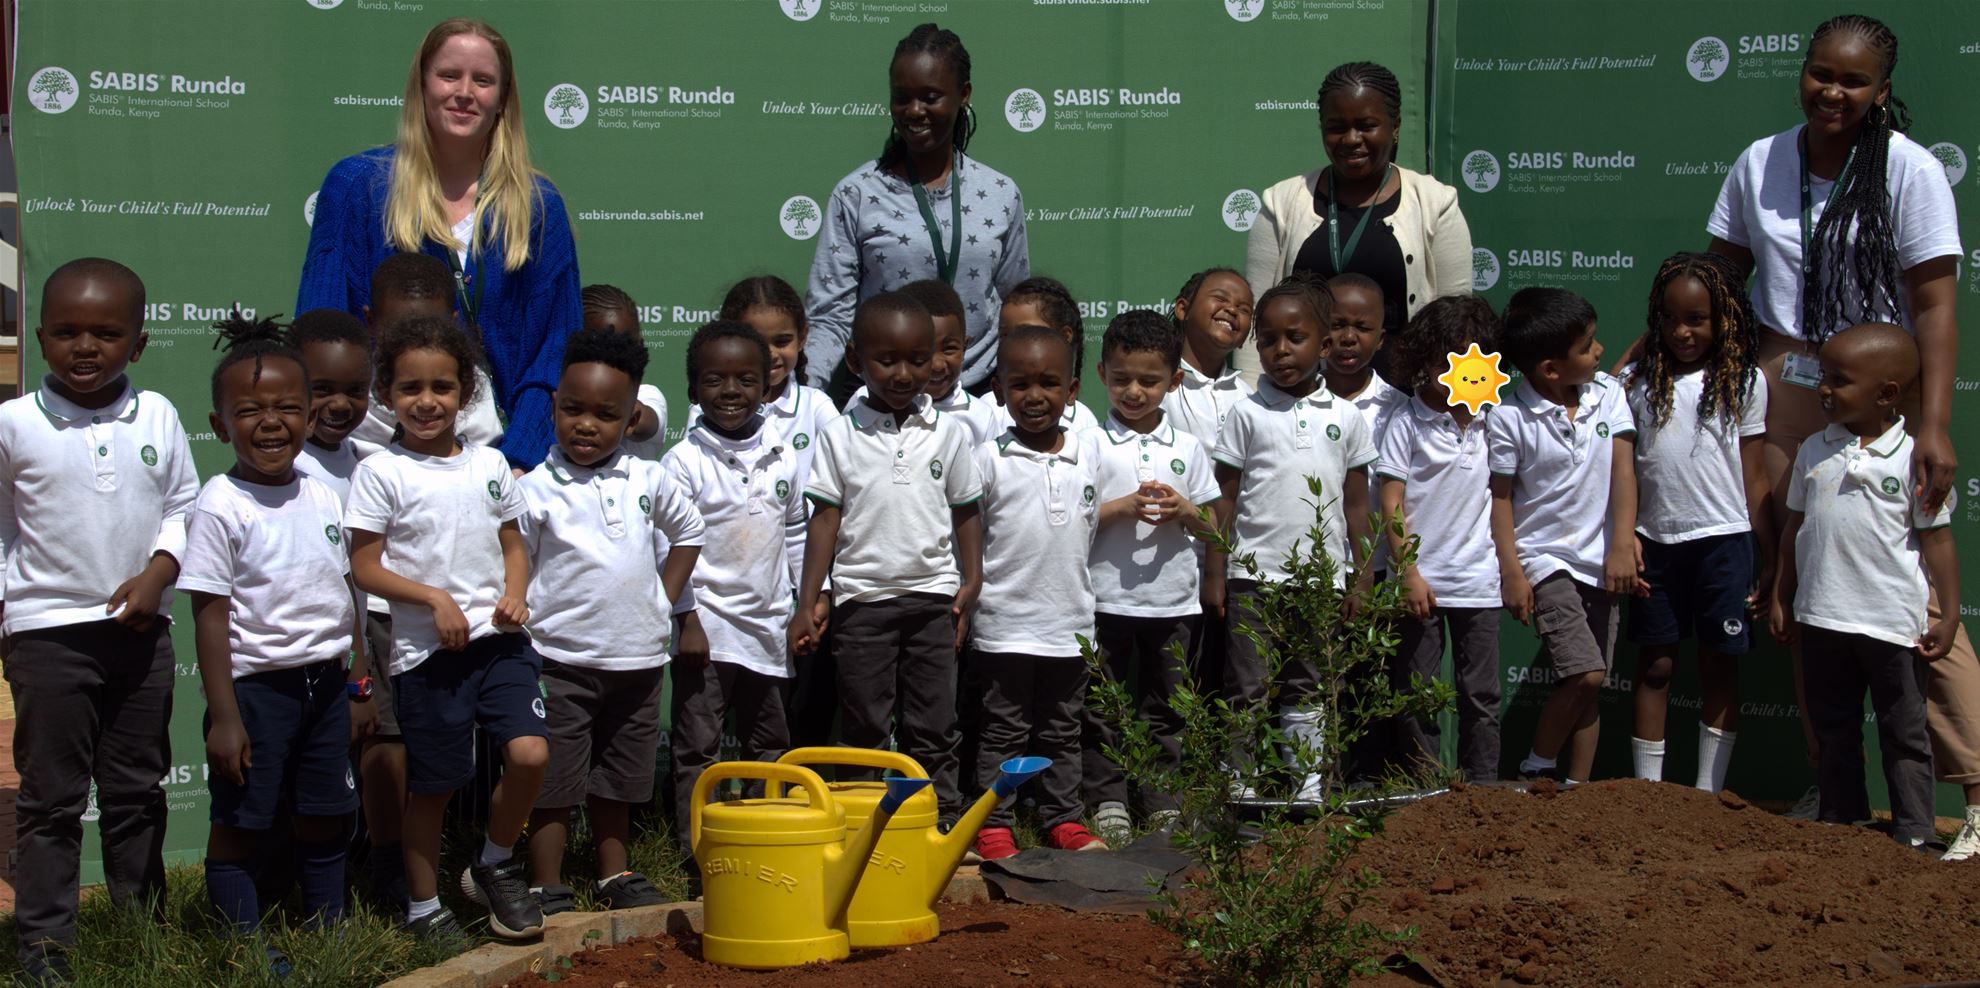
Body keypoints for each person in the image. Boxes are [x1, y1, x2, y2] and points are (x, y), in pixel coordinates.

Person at [1701, 14, 1973, 821]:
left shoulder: (1909, 171)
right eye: (1823, 73)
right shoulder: (1761, 161)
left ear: (1882, 92)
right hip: (1787, 380)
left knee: (1911, 592)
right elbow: (1718, 278)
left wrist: (1932, 422)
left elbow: (1934, 308)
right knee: (1811, 575)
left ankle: (1975, 785)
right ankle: (1837, 788)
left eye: (1854, 81)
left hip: (1880, 390)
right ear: (1803, 73)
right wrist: (1642, 353)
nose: (1834, 91)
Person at [0, 259, 197, 982]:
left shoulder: (159, 416)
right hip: (47, 637)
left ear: (139, 344)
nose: (86, 347)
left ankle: (143, 933)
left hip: (140, 637)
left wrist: (159, 573)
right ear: (41, 337)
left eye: (107, 333)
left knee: (137, 790)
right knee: (52, 799)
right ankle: (45, 949)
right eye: (68, 332)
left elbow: (183, 506)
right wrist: (8, 609)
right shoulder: (13, 424)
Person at [298, 16, 579, 470]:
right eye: (449, 75)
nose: (465, 92)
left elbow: (554, 352)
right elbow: (321, 333)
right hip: (366, 458)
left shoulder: (538, 207)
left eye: (483, 80)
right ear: (421, 84)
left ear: (502, 98)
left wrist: (516, 461)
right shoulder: (355, 187)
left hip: (496, 461)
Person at [344, 316, 546, 944]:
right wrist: (432, 599)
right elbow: (364, 566)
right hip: (424, 657)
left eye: (442, 387)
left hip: (501, 645)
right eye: (410, 389)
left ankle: (490, 862)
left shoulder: (489, 463)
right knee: (432, 788)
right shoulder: (381, 473)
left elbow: (513, 543)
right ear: (386, 395)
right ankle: (423, 909)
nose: (427, 402)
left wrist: (515, 595)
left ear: (467, 394)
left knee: (530, 753)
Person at [182, 316, 371, 970]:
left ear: (310, 412)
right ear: (218, 423)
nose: (271, 421)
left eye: (288, 407)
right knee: (242, 821)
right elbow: (209, 615)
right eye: (250, 410)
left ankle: (329, 927)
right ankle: (242, 943)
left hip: (325, 686)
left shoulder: (321, 493)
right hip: (256, 695)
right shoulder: (219, 505)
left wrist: (359, 681)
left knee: (325, 814)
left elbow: (349, 593)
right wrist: (227, 717)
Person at [520, 327, 703, 915]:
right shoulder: (534, 488)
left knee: (620, 778)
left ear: (631, 420)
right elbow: (514, 562)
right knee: (555, 781)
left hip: (639, 660)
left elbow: (689, 534)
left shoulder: (649, 478)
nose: (586, 425)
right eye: (573, 409)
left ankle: (613, 873)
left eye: (605, 414)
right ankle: (546, 882)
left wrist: (661, 597)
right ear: (554, 407)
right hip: (560, 660)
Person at [789, 292, 984, 823]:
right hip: (863, 601)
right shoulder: (838, 437)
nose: (904, 374)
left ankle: (938, 811)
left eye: (918, 360)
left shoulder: (949, 434)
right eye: (887, 360)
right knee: (865, 719)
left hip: (933, 600)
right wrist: (809, 600)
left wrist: (972, 580)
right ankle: (864, 817)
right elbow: (824, 520)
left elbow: (966, 510)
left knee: (933, 719)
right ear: (856, 360)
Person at [1768, 322, 1956, 850]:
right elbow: (1793, 529)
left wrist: (1952, 611)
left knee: (1904, 732)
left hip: (1892, 623)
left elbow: (1938, 542)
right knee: (1833, 727)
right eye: (1823, 377)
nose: (1824, 389)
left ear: (1887, 393)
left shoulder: (1915, 458)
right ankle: (1842, 818)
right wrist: (1783, 593)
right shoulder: (1812, 449)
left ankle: (1915, 831)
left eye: (1840, 381)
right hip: (1822, 617)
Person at [1209, 276, 1375, 801]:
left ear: (1323, 345)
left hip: (1321, 580)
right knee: (1248, 684)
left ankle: (1306, 785)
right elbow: (1225, 500)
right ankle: (1241, 783)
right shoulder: (1246, 413)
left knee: (1308, 683)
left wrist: (1362, 577)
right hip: (1255, 579)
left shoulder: (1347, 419)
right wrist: (1216, 571)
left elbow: (1357, 508)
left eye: (1295, 338)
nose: (1280, 351)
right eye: (1269, 340)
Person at [804, 23, 1029, 403]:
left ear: (964, 95)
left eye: (930, 97)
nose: (914, 111)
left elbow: (1015, 309)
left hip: (976, 394)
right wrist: (804, 395)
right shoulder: (855, 193)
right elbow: (830, 316)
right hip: (883, 396)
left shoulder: (1000, 193)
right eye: (901, 98)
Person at [1620, 254, 1770, 792]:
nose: (1681, 332)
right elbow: (1620, 468)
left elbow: (1754, 474)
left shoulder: (1745, 381)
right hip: (1654, 545)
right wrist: (1627, 536)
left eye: (1697, 320)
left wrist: (1767, 554)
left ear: (1725, 320)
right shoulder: (1636, 382)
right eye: (1668, 318)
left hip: (1725, 543)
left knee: (1719, 666)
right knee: (1656, 667)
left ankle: (1707, 793)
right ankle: (1649, 793)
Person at [660, 322, 806, 865]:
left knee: (769, 746)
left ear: (767, 386)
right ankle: (699, 854)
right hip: (708, 628)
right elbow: (667, 547)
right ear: (692, 388)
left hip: (768, 629)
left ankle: (765, 844)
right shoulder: (682, 462)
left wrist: (809, 602)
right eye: (714, 379)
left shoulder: (782, 454)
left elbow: (794, 534)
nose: (730, 391)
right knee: (698, 748)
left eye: (746, 379)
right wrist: (687, 619)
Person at [1488, 288, 1640, 786]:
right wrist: (1513, 571)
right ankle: (1537, 766)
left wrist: (1622, 544)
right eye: (1587, 346)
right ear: (1551, 369)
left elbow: (1623, 471)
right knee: (1585, 674)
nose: (1599, 352)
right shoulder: (1508, 417)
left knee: (1589, 684)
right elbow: (1502, 499)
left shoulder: (1608, 394)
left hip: (1602, 561)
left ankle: (1577, 794)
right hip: (1545, 560)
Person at [288, 307, 413, 910]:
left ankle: (388, 866)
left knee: (382, 742)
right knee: (307, 762)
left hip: (369, 634)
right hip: (303, 641)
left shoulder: (369, 463)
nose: (339, 404)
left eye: (354, 391)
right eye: (321, 390)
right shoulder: (281, 462)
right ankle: (301, 880)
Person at [970, 326, 1109, 860]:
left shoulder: (1088, 452)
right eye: (1020, 383)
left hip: (1070, 627)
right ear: (1000, 389)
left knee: (1060, 732)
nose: (1035, 396)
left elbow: (1092, 524)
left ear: (1072, 391)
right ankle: (992, 822)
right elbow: (969, 537)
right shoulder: (986, 458)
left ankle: (1063, 819)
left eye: (1049, 383)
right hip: (1003, 626)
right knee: (1003, 732)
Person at [1242, 62, 1472, 386]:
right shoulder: (1280, 203)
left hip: (1404, 405)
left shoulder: (1436, 204)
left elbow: (1457, 321)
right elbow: (1258, 321)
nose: (1351, 139)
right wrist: (1256, 403)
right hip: (1299, 406)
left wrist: (1445, 407)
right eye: (1337, 127)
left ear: (1395, 127)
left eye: (1366, 125)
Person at [1082, 310, 1220, 840]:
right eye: (1122, 380)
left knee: (1167, 708)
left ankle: (1162, 796)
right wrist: (1121, 508)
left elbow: (1213, 528)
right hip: (1104, 601)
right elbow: (1074, 520)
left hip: (1174, 604)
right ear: (1101, 375)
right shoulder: (1090, 442)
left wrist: (1185, 512)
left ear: (1175, 381)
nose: (1134, 391)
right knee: (1105, 707)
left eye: (1149, 380)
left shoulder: (1187, 449)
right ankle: (1108, 798)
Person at [1375, 295, 1503, 782]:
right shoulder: (1405, 421)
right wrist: (1408, 573)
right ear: (1423, 360)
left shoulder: (1495, 419)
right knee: (1417, 693)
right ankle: (1420, 791)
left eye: (1468, 360)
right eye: (1444, 360)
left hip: (1480, 581)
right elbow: (1391, 504)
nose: (1455, 373)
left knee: (1482, 695)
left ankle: (1484, 789)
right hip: (1420, 584)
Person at [717, 275, 842, 748]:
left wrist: (817, 592)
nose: (771, 354)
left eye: (783, 341)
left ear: (804, 338)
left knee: (804, 704)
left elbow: (833, 503)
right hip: (738, 588)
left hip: (808, 583)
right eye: (756, 341)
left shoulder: (819, 408)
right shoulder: (709, 412)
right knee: (737, 705)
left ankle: (798, 802)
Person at [354, 252, 503, 455]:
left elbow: (481, 459)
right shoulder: (355, 390)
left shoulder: (469, 381)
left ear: (452, 323)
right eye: (399, 332)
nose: (413, 345)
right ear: (371, 322)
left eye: (441, 388)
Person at [850, 279, 999, 446]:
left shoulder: (980, 416)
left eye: (949, 348)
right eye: (922, 356)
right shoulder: (864, 399)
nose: (936, 365)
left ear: (964, 348)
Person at [1162, 266, 1255, 452]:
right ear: (1183, 309)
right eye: (1220, 298)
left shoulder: (1247, 396)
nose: (1231, 309)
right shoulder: (1158, 385)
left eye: (1243, 309)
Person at [993, 277, 1101, 435]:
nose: (1013, 342)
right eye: (1005, 335)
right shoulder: (987, 411)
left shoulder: (1083, 421)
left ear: (1065, 336)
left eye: (1027, 332)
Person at [580, 284, 668, 460]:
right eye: (602, 346)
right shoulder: (561, 400)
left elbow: (643, 426)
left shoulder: (648, 394)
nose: (616, 355)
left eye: (627, 345)